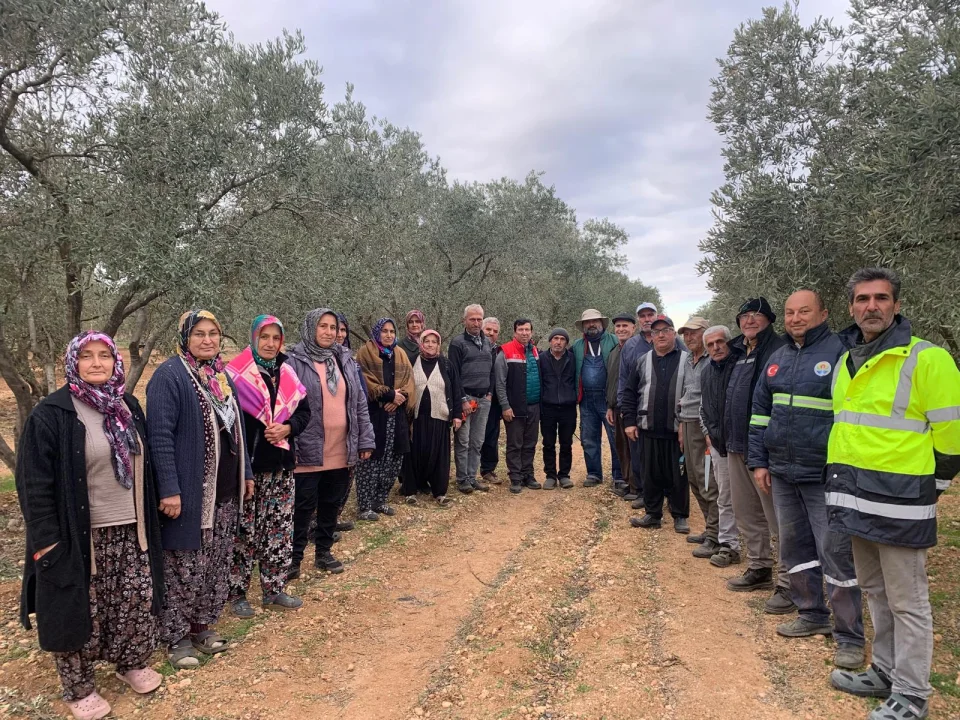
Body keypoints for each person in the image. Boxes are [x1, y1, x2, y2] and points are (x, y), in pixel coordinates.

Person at [826, 268, 960, 720]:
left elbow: (953, 437)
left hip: (901, 503)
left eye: (881, 298)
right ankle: (883, 670)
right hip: (857, 500)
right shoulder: (848, 360)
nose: (872, 306)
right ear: (851, 307)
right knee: (876, 592)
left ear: (896, 305)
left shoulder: (928, 359)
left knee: (909, 602)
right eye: (862, 298)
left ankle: (913, 693)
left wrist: (930, 489)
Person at [17, 332, 164, 719]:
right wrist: (46, 541)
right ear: (73, 363)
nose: (97, 363)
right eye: (87, 356)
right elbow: (34, 484)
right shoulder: (52, 414)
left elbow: (144, 467)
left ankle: (131, 662)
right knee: (78, 607)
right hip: (77, 536)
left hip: (131, 528)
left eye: (104, 356)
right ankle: (78, 687)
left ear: (116, 362)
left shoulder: (127, 405)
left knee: (131, 600)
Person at [747, 290, 864, 668]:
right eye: (790, 313)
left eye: (804, 312)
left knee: (836, 553)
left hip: (824, 475)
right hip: (782, 472)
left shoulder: (840, 354)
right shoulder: (778, 358)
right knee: (795, 549)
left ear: (824, 313)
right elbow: (761, 413)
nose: (796, 318)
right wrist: (759, 461)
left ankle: (850, 636)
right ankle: (812, 614)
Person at [147, 310, 253, 668]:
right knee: (184, 567)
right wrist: (169, 489)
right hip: (190, 495)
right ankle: (176, 638)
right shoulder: (169, 376)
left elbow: (237, 432)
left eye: (213, 334)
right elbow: (159, 437)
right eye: (199, 334)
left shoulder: (220, 377)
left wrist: (247, 474)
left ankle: (202, 627)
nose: (207, 340)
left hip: (224, 493)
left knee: (215, 564)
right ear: (184, 337)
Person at [226, 315, 310, 616]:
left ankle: (274, 589)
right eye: (265, 337)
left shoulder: (287, 372)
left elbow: (304, 413)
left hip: (282, 465)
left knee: (278, 529)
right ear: (253, 338)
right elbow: (230, 421)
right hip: (249, 468)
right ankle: (237, 593)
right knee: (245, 532)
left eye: (276, 338)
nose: (271, 343)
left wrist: (287, 428)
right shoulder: (234, 374)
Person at [287, 308, 375, 577]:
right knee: (302, 507)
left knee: (331, 503)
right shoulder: (293, 360)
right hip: (309, 447)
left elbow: (359, 401)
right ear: (311, 328)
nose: (329, 332)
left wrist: (365, 439)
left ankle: (323, 552)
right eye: (322, 326)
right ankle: (294, 560)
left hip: (341, 446)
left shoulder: (344, 359)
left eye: (333, 327)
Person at [722, 298, 794, 614]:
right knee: (746, 512)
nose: (750, 321)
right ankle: (760, 567)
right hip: (737, 444)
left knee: (778, 518)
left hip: (764, 448)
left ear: (769, 320)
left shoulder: (778, 350)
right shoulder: (739, 352)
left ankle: (791, 583)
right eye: (745, 316)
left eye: (757, 316)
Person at [622, 315, 690, 533]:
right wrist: (629, 422)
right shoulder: (642, 361)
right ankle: (652, 514)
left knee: (678, 474)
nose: (661, 335)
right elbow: (630, 393)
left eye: (666, 330)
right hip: (648, 428)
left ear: (674, 334)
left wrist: (687, 425)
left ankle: (680, 515)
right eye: (656, 331)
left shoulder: (687, 361)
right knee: (650, 473)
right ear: (650, 337)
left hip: (677, 430)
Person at [355, 318, 416, 519]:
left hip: (396, 415)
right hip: (375, 414)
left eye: (392, 331)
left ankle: (380, 500)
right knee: (371, 460)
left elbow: (409, 381)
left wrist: (399, 399)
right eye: (384, 331)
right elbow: (364, 380)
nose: (389, 335)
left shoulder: (400, 354)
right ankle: (365, 505)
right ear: (376, 333)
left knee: (393, 459)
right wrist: (390, 395)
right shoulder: (365, 353)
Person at [402, 329, 463, 506]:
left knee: (439, 455)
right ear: (421, 343)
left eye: (433, 342)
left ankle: (439, 492)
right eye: (426, 341)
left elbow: (456, 391)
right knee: (413, 454)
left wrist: (457, 415)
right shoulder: (412, 361)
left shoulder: (447, 364)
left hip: (440, 416)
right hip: (416, 417)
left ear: (438, 344)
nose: (430, 345)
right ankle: (411, 490)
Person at [618, 302, 670, 510]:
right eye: (643, 316)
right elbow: (623, 379)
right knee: (638, 450)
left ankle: (667, 492)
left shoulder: (670, 341)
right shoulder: (631, 345)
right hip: (638, 407)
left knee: (664, 452)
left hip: (665, 409)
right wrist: (623, 408)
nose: (647, 319)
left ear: (657, 316)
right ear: (638, 320)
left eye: (651, 315)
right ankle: (641, 491)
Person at [698, 326, 742, 568]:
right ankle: (729, 545)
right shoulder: (706, 372)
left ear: (729, 342)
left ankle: (763, 554)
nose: (716, 347)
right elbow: (703, 407)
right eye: (710, 345)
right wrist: (708, 434)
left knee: (752, 501)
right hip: (718, 443)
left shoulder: (742, 366)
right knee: (724, 497)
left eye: (720, 342)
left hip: (743, 444)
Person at [677, 316, 721, 558]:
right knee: (693, 478)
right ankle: (709, 528)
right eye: (685, 333)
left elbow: (711, 397)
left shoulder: (711, 360)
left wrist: (707, 432)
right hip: (687, 422)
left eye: (693, 333)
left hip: (703, 426)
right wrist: (679, 425)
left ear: (705, 334)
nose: (689, 337)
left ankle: (716, 536)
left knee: (708, 481)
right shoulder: (688, 359)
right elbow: (685, 392)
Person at [571, 309, 621, 488]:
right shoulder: (577, 345)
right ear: (583, 326)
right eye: (587, 322)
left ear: (602, 323)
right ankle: (593, 474)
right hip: (586, 400)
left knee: (615, 438)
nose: (591, 324)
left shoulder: (613, 341)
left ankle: (619, 475)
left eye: (595, 321)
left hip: (607, 399)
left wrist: (615, 400)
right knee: (589, 438)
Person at [449, 304, 495, 494]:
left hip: (483, 399)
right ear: (464, 321)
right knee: (464, 441)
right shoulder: (457, 343)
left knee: (477, 442)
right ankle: (462, 479)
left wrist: (490, 393)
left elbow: (492, 371)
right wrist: (462, 400)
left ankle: (472, 477)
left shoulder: (487, 343)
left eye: (479, 319)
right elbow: (454, 374)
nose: (476, 323)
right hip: (465, 398)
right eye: (472, 319)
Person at [496, 318, 542, 494]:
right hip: (513, 408)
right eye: (521, 329)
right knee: (515, 444)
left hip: (533, 406)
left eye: (527, 330)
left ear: (532, 332)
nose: (524, 333)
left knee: (530, 443)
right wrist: (505, 406)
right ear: (514, 332)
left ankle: (528, 475)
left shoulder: (535, 351)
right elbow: (499, 383)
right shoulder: (505, 352)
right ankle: (515, 477)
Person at [538, 328, 577, 489]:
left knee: (566, 443)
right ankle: (550, 475)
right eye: (555, 338)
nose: (558, 342)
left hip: (568, 407)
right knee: (548, 443)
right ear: (550, 341)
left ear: (566, 343)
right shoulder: (541, 359)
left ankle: (564, 475)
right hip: (548, 407)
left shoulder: (573, 359)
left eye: (562, 339)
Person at [606, 312, 638, 500]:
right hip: (616, 408)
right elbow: (611, 381)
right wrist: (609, 406)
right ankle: (629, 483)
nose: (621, 329)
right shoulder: (613, 352)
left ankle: (638, 487)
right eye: (618, 326)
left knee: (634, 448)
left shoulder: (638, 349)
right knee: (622, 447)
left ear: (634, 328)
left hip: (632, 408)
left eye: (625, 326)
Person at [479, 317, 504, 485]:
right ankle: (466, 472)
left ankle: (488, 469)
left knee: (491, 434)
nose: (491, 333)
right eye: (488, 329)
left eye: (495, 331)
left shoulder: (500, 351)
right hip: (474, 397)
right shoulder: (473, 347)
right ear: (481, 329)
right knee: (470, 436)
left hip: (494, 400)